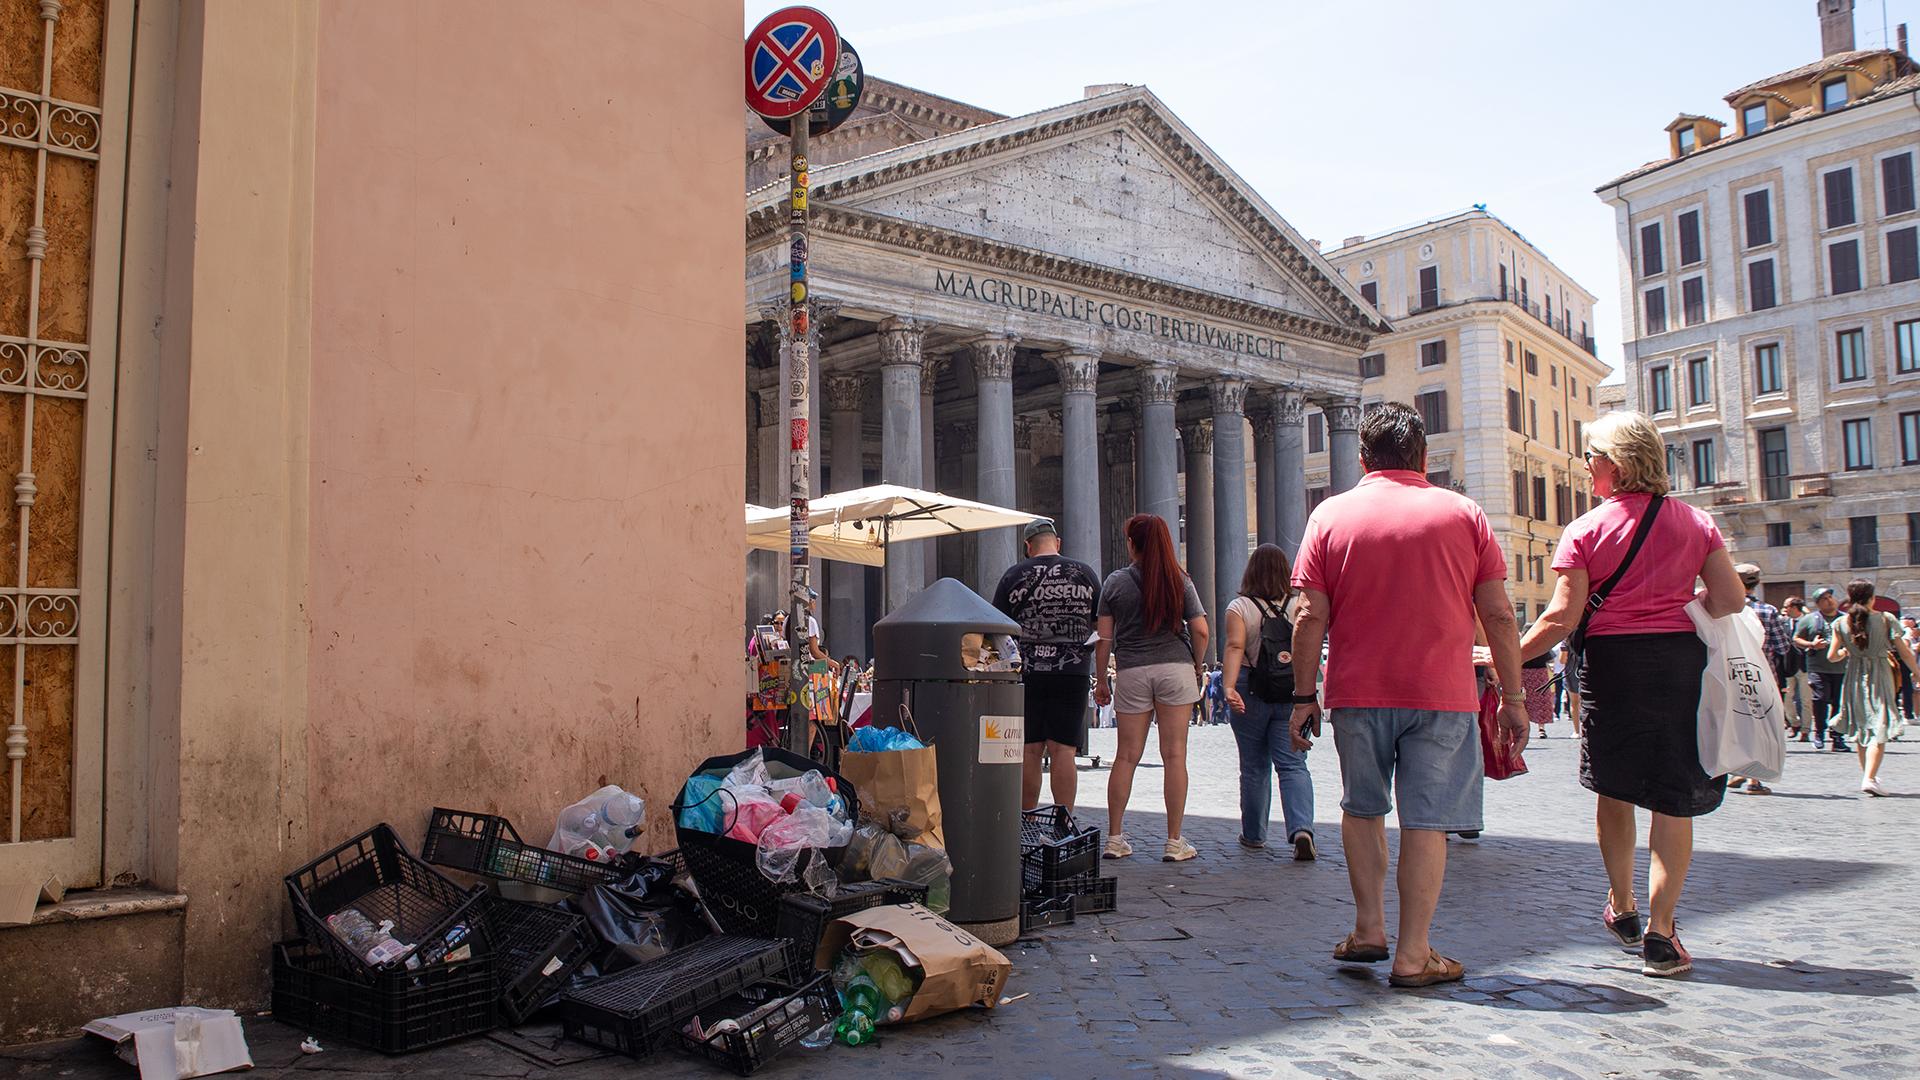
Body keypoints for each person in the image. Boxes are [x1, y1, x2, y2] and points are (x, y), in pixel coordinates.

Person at [1290, 403, 1525, 988]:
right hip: (1442, 695)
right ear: (1423, 456)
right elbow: (1497, 614)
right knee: (1428, 821)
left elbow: (1308, 618)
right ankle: (1414, 953)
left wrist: (1302, 696)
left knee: (1361, 807)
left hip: (1357, 691)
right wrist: (1515, 696)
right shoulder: (1464, 514)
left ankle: (1369, 927)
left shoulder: (1330, 516)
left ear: (1364, 458)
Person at [1517, 411, 1745, 978]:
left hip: (1612, 668)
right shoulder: (1696, 523)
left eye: (1591, 456)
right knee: (1673, 796)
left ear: (1612, 464)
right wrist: (1676, 604)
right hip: (1677, 666)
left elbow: (1561, 618)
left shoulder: (1587, 529)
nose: (1586, 465)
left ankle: (1621, 907)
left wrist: (1504, 657)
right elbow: (1730, 599)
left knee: (1613, 788)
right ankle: (1662, 935)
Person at [1093, 513, 1209, 863]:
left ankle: (1115, 837)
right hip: (1174, 668)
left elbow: (1103, 639)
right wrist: (1197, 664)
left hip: (1132, 670)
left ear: (1132, 544)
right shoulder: (1180, 579)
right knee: (1174, 755)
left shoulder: (1115, 583)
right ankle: (1174, 841)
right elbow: (1201, 630)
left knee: (1126, 756)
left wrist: (1101, 680)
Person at [991, 517, 1100, 813]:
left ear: (1028, 547)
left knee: (1029, 750)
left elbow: (998, 628)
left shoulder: (1013, 576)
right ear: (1058, 542)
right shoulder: (1085, 574)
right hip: (1072, 670)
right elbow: (1098, 623)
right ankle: (1063, 821)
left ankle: (1026, 818)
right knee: (1064, 749)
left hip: (1028, 674)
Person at [1221, 544, 1316, 860]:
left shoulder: (1240, 607)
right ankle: (1301, 828)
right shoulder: (1299, 604)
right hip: (1291, 689)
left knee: (1253, 766)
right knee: (1292, 764)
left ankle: (1254, 835)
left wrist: (1230, 686)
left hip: (1251, 688)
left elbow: (1235, 647)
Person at [1826, 580, 1918, 795]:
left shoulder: (1840, 623)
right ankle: (1869, 778)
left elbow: (1832, 656)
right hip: (1879, 675)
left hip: (1854, 677)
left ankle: (1869, 776)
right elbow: (1904, 651)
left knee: (1862, 727)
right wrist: (1917, 671)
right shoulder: (1885, 619)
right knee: (1879, 725)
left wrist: (1847, 652)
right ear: (1872, 597)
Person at [1727, 564, 1790, 796]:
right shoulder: (1767, 611)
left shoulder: (1723, 607)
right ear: (1756, 583)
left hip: (1729, 672)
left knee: (1736, 722)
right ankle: (1753, 779)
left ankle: (1737, 769)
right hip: (1760, 675)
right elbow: (1782, 646)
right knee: (1760, 724)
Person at [1795, 588, 1850, 752]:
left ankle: (1837, 736)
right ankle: (1819, 733)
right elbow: (1796, 638)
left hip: (1841, 667)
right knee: (1820, 699)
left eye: (1830, 597)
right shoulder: (1809, 619)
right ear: (1818, 603)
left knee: (1838, 703)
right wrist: (1812, 644)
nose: (1829, 600)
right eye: (1825, 598)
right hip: (1818, 667)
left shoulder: (1846, 619)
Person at [1781, 597, 1810, 736]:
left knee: (1805, 700)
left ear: (1794, 607)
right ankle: (1794, 723)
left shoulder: (1808, 621)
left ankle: (1806, 729)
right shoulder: (1783, 622)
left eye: (1787, 606)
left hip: (1805, 666)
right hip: (1788, 666)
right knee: (1787, 698)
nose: (1785, 609)